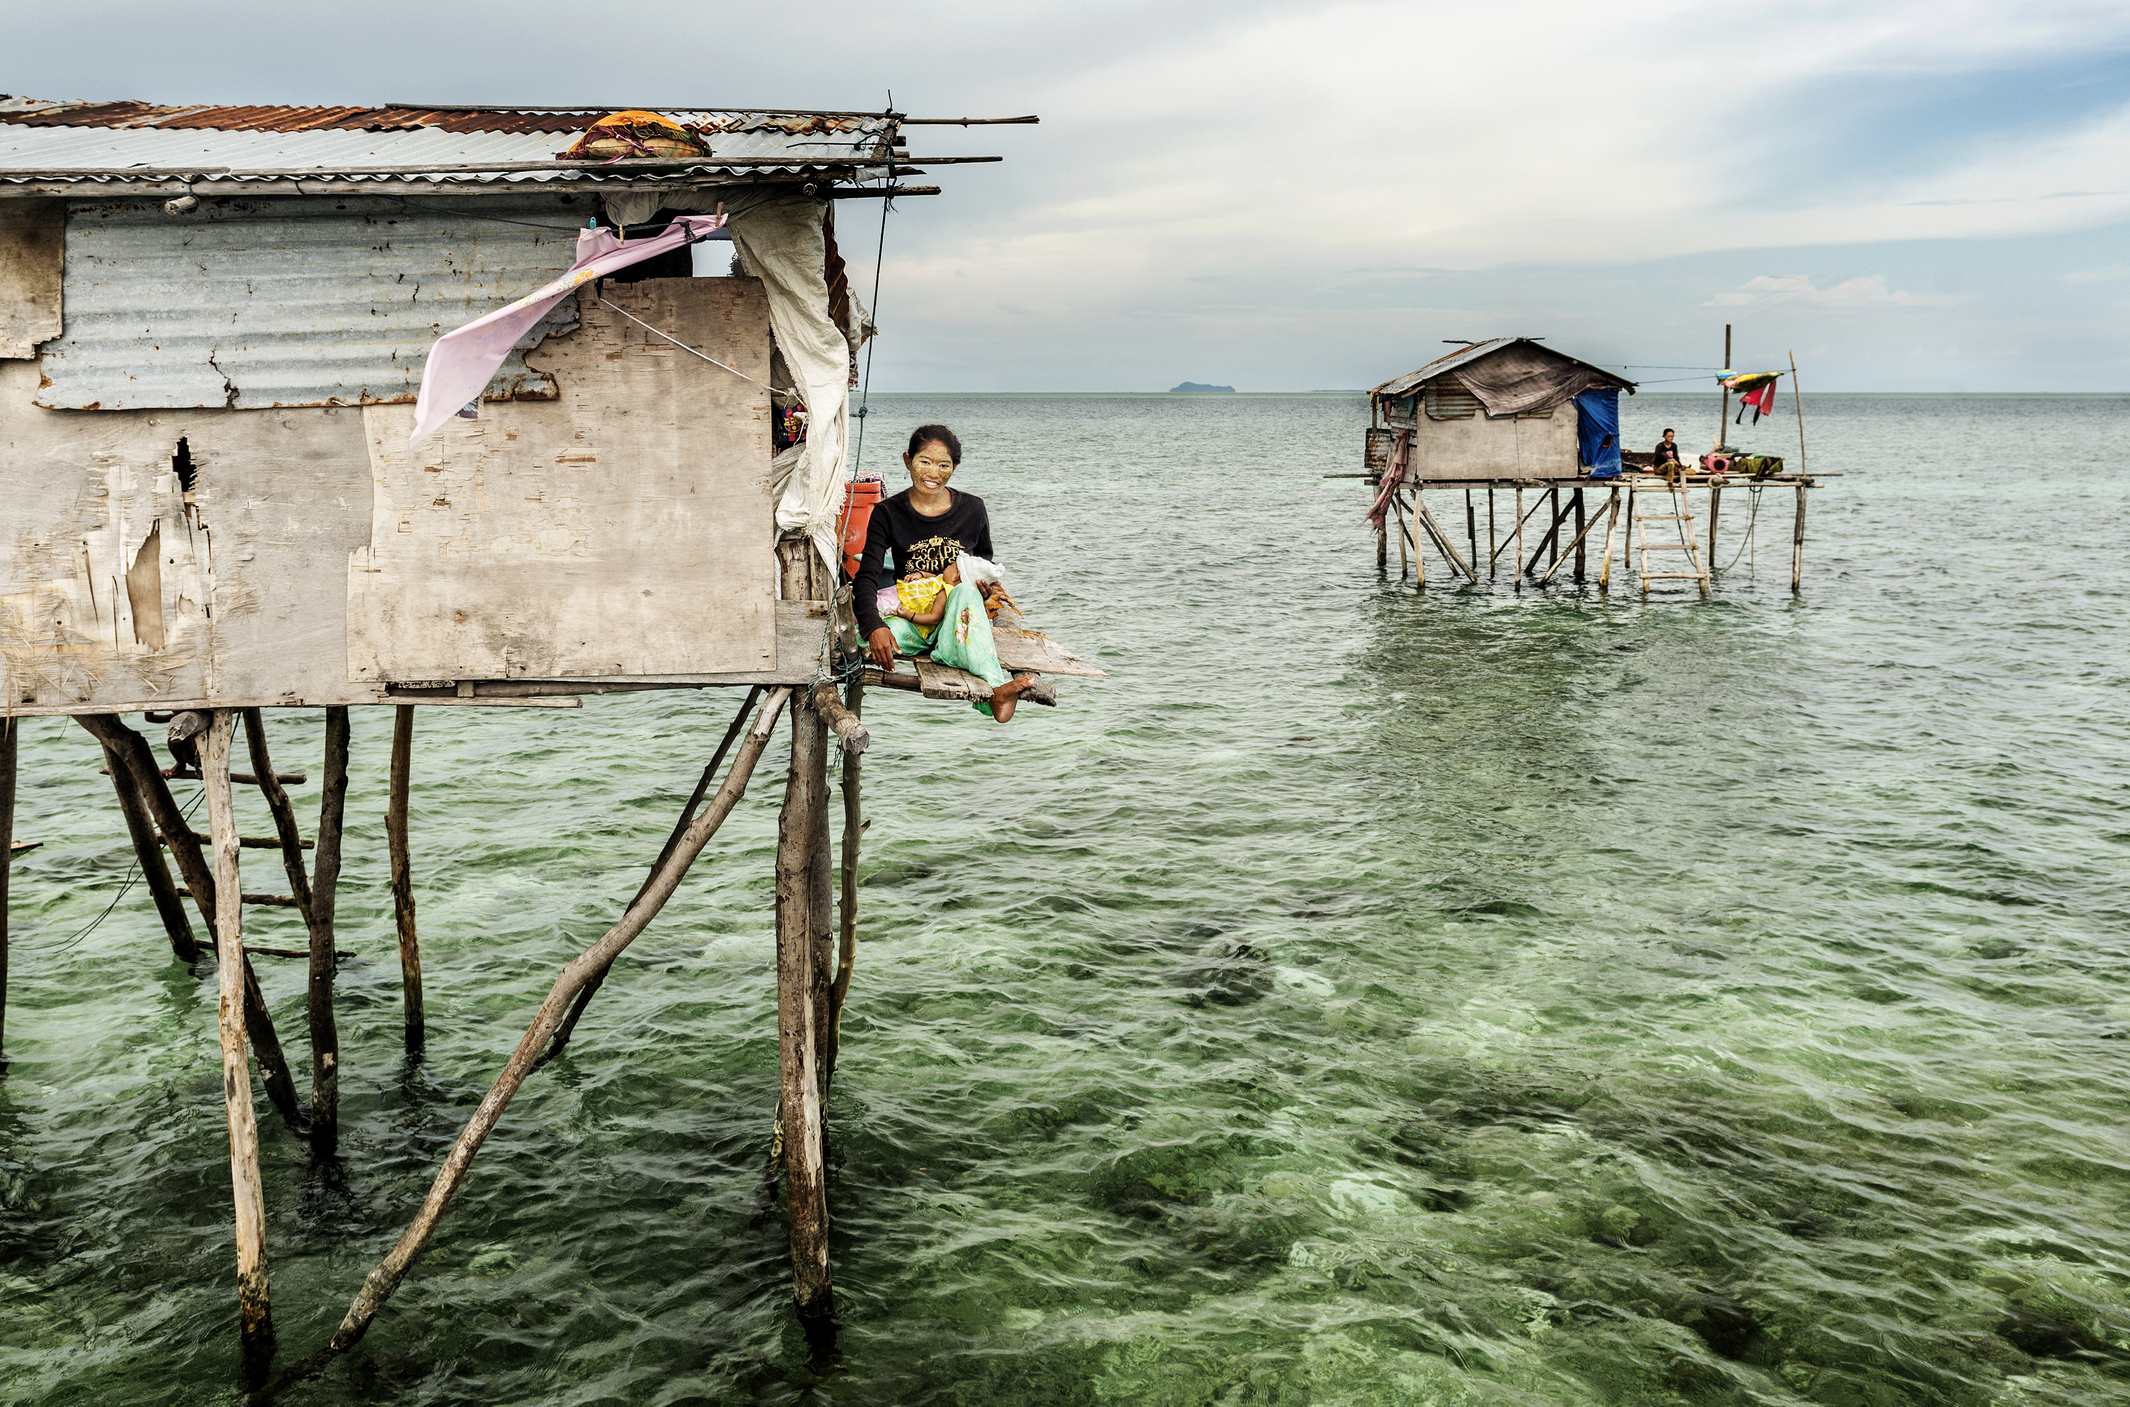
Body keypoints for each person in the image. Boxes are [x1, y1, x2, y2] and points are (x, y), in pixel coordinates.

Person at [854, 425, 1040, 723]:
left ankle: (995, 692)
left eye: (944, 465)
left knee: (964, 591)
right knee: (862, 640)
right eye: (925, 462)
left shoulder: (973, 509)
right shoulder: (888, 513)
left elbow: (983, 567)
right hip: (913, 620)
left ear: (954, 468)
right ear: (908, 460)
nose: (933, 473)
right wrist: (873, 626)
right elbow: (867, 576)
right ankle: (949, 651)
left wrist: (984, 591)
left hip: (957, 618)